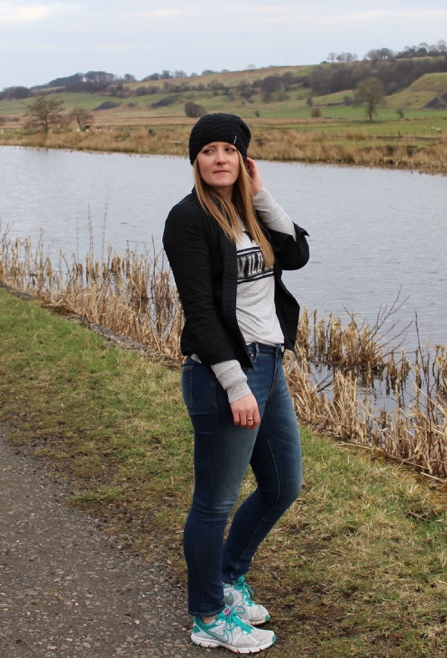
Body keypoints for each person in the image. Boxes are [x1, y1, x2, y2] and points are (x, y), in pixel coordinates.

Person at [162, 113, 310, 653]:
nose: (219, 159)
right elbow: (199, 311)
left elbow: (297, 254)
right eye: (208, 151)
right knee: (214, 503)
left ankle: (227, 579)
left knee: (282, 485)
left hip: (269, 364)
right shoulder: (187, 219)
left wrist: (261, 195)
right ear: (195, 161)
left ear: (243, 159)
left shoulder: (249, 212)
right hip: (223, 372)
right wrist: (235, 384)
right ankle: (207, 616)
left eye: (229, 150)